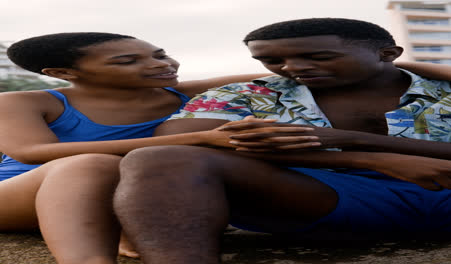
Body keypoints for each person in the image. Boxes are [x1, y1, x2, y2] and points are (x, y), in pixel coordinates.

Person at [111, 18, 451, 264]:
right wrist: (365, 159)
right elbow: (182, 147)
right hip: (323, 197)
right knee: (156, 159)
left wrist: (356, 141)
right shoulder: (243, 94)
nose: (292, 67)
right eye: (271, 60)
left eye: (319, 56)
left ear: (388, 53)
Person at [0, 32, 283, 264]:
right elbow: (31, 151)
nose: (162, 64)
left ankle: (125, 223)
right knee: (91, 163)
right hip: (20, 193)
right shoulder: (26, 102)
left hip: (124, 194)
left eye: (159, 54)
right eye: (126, 61)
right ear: (63, 72)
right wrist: (199, 138)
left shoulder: (196, 94)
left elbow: (290, 74)